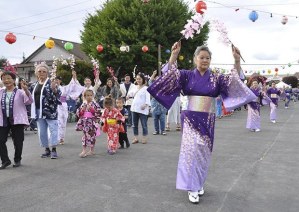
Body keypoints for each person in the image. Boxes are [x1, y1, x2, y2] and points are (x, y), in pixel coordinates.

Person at [147, 41, 256, 204]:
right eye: (202, 57)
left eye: (208, 58)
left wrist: (237, 60)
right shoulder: (186, 75)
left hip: (207, 119)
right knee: (191, 151)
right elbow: (169, 75)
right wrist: (173, 56)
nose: (205, 60)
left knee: (203, 152)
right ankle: (192, 187)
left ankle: (198, 182)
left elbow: (234, 81)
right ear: (195, 59)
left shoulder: (217, 78)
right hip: (190, 118)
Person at [0, 72, 33, 169]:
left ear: (14, 80)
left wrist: (26, 90)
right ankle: (5, 161)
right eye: (4, 79)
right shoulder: (1, 92)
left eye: (9, 78)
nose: (6, 80)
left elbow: (29, 101)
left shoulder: (20, 92)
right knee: (0, 140)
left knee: (18, 141)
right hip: (3, 120)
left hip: (17, 119)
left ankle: (17, 159)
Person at [30, 63, 61, 159]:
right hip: (38, 111)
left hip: (50, 111)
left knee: (53, 130)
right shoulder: (34, 85)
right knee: (42, 131)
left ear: (47, 73)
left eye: (44, 71)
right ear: (36, 73)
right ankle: (46, 149)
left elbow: (59, 95)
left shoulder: (51, 83)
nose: (42, 73)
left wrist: (54, 89)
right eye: (39, 71)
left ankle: (54, 149)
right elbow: (30, 97)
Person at [55, 71, 88, 145]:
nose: (56, 81)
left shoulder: (64, 88)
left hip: (63, 105)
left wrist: (74, 76)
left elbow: (71, 85)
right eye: (55, 80)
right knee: (57, 122)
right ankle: (56, 138)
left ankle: (61, 138)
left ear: (60, 81)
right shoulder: (51, 87)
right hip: (55, 106)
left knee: (63, 122)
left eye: (58, 80)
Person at [76, 89, 101, 157]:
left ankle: (91, 150)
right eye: (87, 95)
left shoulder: (95, 104)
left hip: (92, 122)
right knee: (84, 136)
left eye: (90, 95)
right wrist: (82, 110)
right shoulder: (83, 104)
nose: (89, 97)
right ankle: (84, 150)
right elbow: (79, 114)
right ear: (84, 96)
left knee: (92, 136)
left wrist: (92, 110)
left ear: (93, 96)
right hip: (85, 123)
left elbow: (98, 112)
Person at [128, 73, 151, 144]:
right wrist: (128, 96)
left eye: (140, 79)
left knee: (144, 124)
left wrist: (145, 104)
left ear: (143, 79)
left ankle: (144, 138)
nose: (138, 80)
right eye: (137, 79)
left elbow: (148, 98)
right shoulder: (134, 87)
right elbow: (130, 94)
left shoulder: (146, 88)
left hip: (142, 109)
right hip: (134, 108)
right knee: (134, 124)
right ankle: (136, 138)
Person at [149, 70, 167, 135]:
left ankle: (163, 130)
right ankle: (156, 130)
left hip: (162, 105)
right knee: (155, 119)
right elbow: (150, 81)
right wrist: (153, 74)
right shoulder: (153, 86)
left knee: (162, 119)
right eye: (157, 79)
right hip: (154, 105)